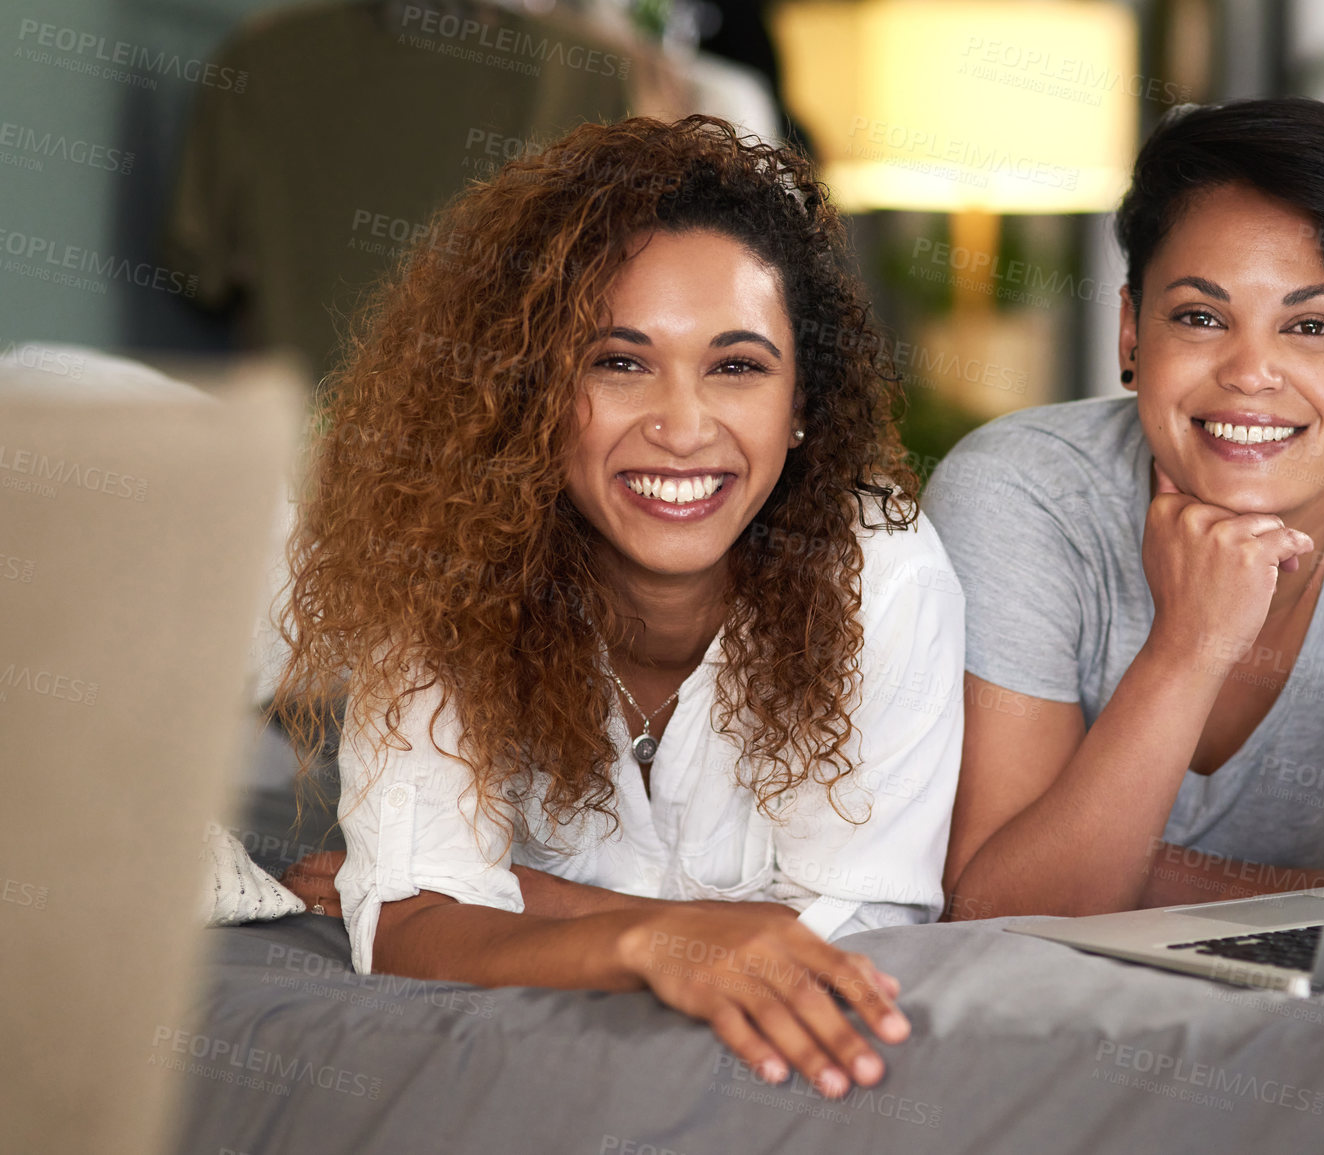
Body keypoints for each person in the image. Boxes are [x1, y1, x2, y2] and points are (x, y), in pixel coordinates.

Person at [273, 115, 964, 1100]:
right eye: (618, 361)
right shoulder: (440, 552)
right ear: (533, 392)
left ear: (802, 402)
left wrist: (533, 902)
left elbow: (848, 944)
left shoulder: (885, 578)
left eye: (737, 366)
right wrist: (649, 940)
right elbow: (404, 926)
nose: (682, 429)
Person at [927, 98, 1324, 919]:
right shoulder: (1018, 495)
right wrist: (1190, 644)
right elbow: (996, 906)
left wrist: (1145, 871)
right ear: (1129, 333)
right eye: (1199, 316)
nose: (1250, 371)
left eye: (1311, 325)